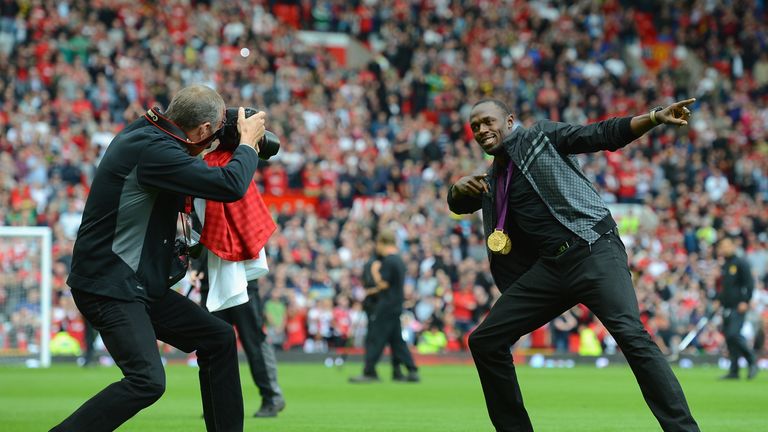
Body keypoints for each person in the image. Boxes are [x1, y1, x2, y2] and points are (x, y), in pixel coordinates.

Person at [448, 98, 700, 431]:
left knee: (632, 336)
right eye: (475, 126)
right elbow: (458, 204)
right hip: (552, 269)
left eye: (487, 121)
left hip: (594, 249)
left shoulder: (541, 136)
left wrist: (654, 117)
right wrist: (455, 189)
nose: (481, 130)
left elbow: (600, 134)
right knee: (485, 341)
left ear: (509, 121)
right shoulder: (495, 180)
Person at [52, 84, 267, 432]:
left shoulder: (148, 135)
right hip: (111, 286)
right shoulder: (155, 151)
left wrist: (221, 140)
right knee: (147, 380)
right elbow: (230, 185)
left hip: (135, 283)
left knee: (219, 338)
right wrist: (246, 144)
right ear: (203, 131)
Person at [198, 274, 287, 417]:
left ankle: (272, 398)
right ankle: (218, 403)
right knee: (215, 346)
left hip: (240, 285)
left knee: (254, 344)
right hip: (214, 286)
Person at [349, 230, 420, 383]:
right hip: (395, 304)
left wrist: (375, 273)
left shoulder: (388, 261)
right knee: (396, 340)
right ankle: (412, 369)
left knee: (376, 337)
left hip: (386, 304)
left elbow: (384, 283)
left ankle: (369, 371)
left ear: (382, 243)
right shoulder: (399, 260)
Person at [714, 236, 758, 380]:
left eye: (727, 245)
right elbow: (726, 288)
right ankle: (734, 371)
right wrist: (718, 300)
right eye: (722, 246)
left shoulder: (741, 262)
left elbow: (749, 284)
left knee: (733, 334)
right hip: (727, 306)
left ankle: (752, 361)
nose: (724, 249)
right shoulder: (726, 264)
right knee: (729, 339)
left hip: (738, 307)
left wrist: (746, 301)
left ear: (733, 246)